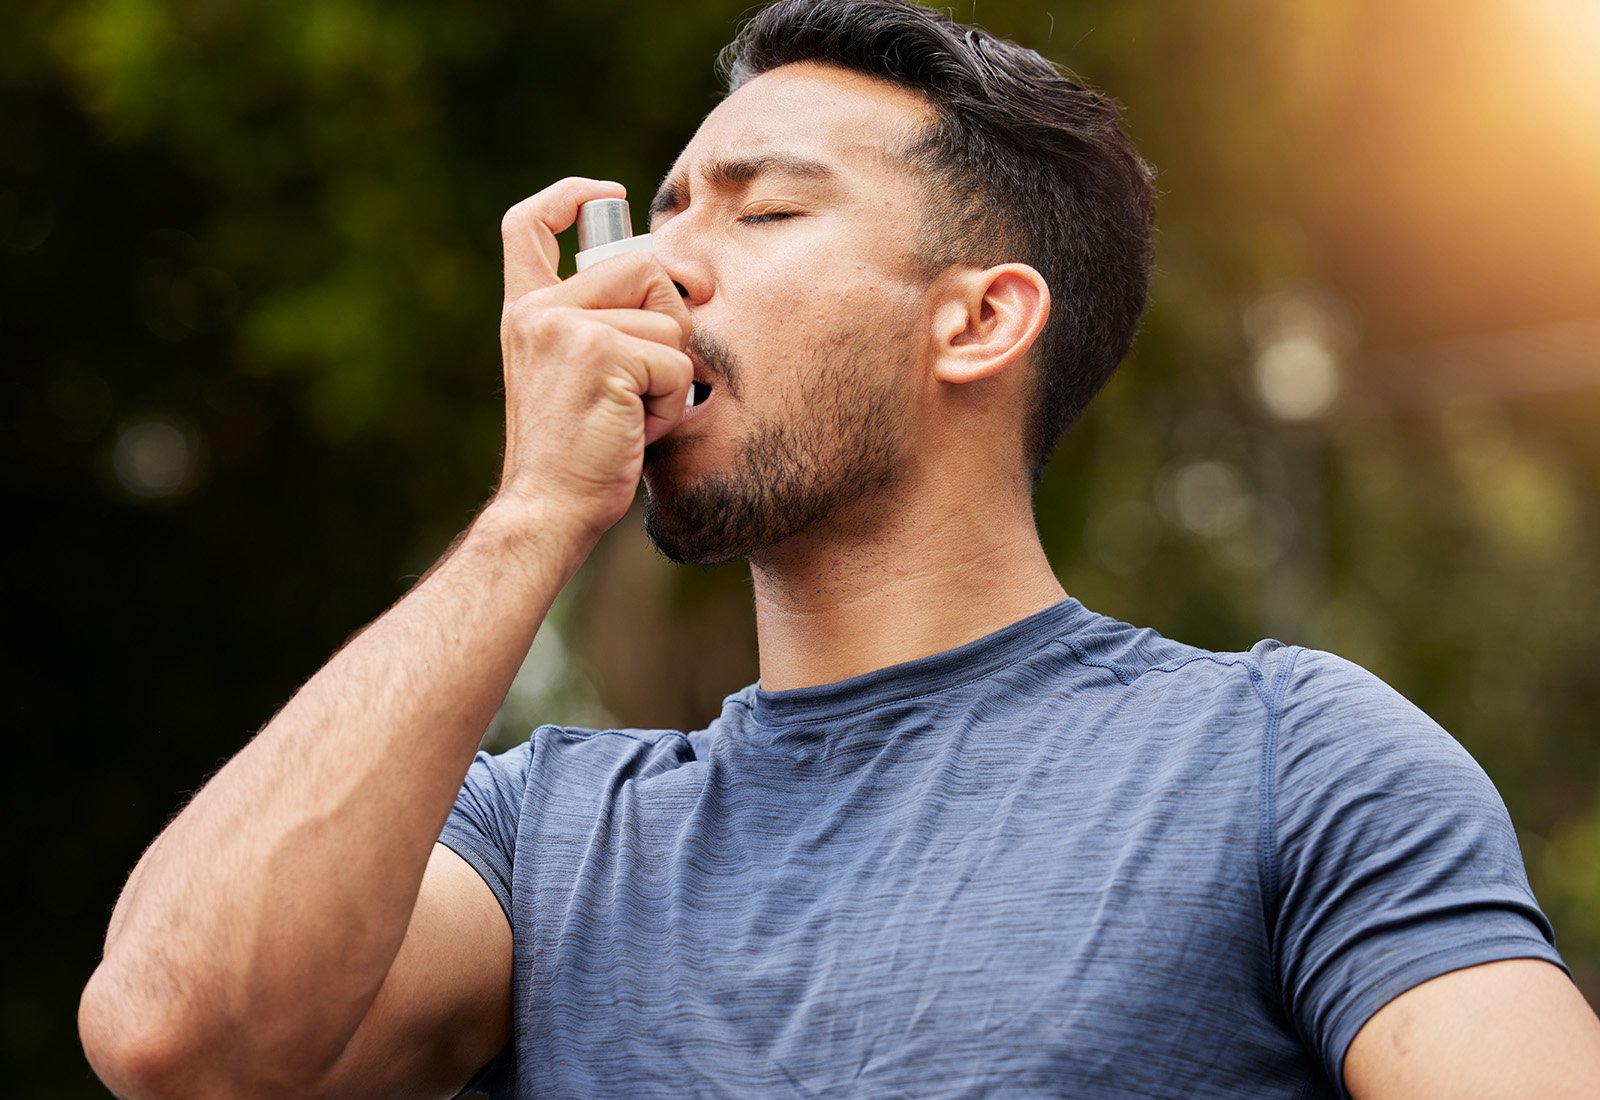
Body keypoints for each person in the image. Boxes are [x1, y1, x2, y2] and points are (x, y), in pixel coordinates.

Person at [79, 1, 1600, 1097]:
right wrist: (533, 514)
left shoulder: (1283, 757)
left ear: (982, 319)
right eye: (660, 217)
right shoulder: (541, 837)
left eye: (760, 212)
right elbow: (177, 1040)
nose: (659, 271)